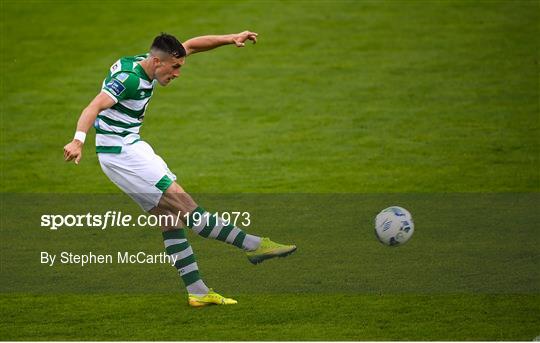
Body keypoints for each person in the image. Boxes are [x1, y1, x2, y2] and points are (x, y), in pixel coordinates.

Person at [63, 31, 296, 307]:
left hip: (127, 149)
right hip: (123, 154)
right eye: (175, 68)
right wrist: (78, 141)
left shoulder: (146, 63)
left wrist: (231, 38)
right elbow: (94, 105)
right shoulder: (129, 80)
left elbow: (192, 45)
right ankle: (254, 246)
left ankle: (197, 292)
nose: (177, 73)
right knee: (185, 205)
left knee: (169, 218)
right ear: (157, 61)